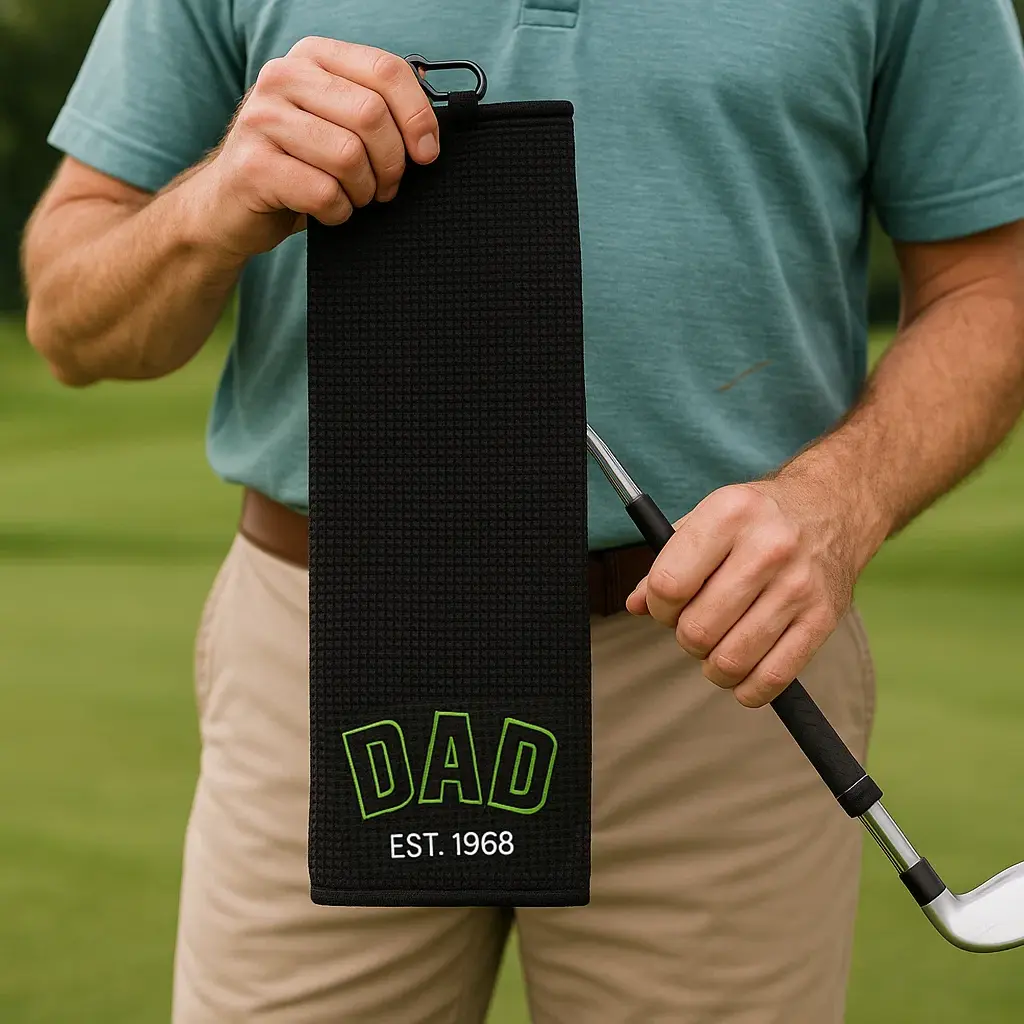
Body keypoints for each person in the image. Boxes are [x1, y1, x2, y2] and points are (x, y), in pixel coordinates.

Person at [21, 1, 1024, 1021]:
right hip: (333, 650)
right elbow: (71, 319)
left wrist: (834, 504)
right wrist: (212, 200)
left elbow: (992, 287)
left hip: (722, 666)